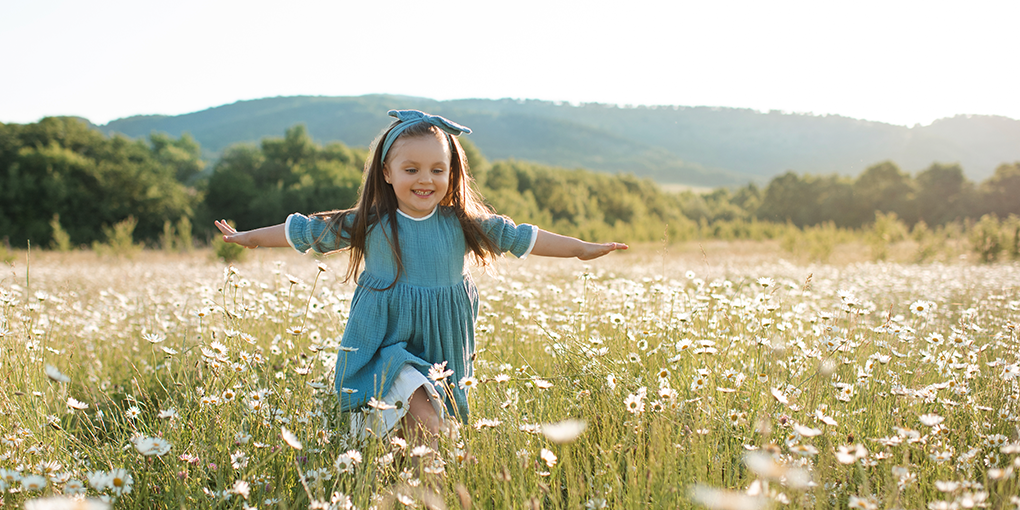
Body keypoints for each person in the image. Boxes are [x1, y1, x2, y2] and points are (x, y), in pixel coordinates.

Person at [215, 109, 627, 445]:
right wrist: (250, 238)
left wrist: (580, 248)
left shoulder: (464, 223)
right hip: (384, 340)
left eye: (437, 169)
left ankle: (424, 485)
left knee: (422, 434)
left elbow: (520, 237)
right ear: (388, 173)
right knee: (424, 414)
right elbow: (306, 230)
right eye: (411, 169)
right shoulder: (371, 222)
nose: (425, 179)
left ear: (452, 174)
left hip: (441, 341)